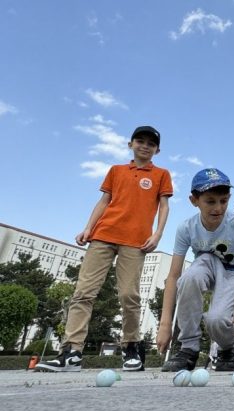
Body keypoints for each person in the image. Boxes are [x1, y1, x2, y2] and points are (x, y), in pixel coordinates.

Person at [35, 126, 172, 373]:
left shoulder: (161, 174)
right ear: (130, 144)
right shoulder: (116, 170)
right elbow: (104, 201)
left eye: (150, 144)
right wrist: (88, 228)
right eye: (140, 141)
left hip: (136, 241)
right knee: (83, 292)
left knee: (129, 294)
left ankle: (131, 346)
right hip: (103, 235)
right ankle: (71, 351)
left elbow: (163, 206)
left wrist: (157, 233)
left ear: (157, 150)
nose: (144, 146)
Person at [157, 168, 234, 372]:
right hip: (207, 266)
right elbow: (173, 276)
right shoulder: (186, 228)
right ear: (194, 200)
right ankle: (188, 348)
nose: (218, 208)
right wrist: (165, 324)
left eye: (223, 201)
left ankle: (228, 348)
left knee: (216, 320)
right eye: (210, 201)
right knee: (189, 277)